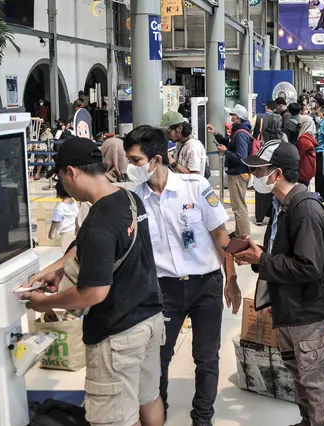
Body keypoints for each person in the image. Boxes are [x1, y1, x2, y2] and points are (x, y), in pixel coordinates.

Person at [19, 137, 165, 426]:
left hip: (117, 332)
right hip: (149, 319)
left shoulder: (99, 221)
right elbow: (90, 247)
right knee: (148, 397)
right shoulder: (128, 199)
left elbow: (93, 293)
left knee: (115, 418)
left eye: (62, 178)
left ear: (71, 172)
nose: (65, 187)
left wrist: (45, 303)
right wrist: (57, 269)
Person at [123, 126, 242, 425]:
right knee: (158, 359)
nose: (130, 167)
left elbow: (220, 236)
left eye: (135, 160)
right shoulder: (134, 200)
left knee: (206, 357)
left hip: (206, 285)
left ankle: (202, 418)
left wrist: (232, 280)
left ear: (157, 159)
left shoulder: (195, 186)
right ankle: (157, 412)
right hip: (163, 291)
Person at [233, 140, 324, 426]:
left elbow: (309, 266)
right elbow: (281, 256)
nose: (255, 177)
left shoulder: (305, 210)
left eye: (260, 171)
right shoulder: (282, 206)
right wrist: (256, 257)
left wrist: (263, 260)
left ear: (277, 174)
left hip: (307, 311)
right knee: (298, 374)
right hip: (288, 308)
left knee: (314, 379)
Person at [208, 104, 253, 238]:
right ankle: (240, 232)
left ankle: (243, 235)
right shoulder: (238, 130)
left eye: (232, 115)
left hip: (238, 174)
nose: (230, 117)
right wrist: (216, 134)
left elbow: (241, 157)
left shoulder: (240, 134)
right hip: (237, 172)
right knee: (237, 205)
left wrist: (225, 152)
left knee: (239, 207)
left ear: (237, 118)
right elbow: (229, 143)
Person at [162, 111, 208, 176]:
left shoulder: (193, 145)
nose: (167, 135)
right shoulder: (180, 144)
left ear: (179, 128)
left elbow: (193, 175)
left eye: (168, 132)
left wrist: (172, 161)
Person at [48, 179, 79, 252]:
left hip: (66, 234)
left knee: (67, 255)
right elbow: (77, 217)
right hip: (74, 233)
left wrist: (51, 233)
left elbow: (55, 221)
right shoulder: (74, 203)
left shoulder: (60, 206)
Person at [297, 115, 319, 186]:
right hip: (308, 170)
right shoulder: (310, 137)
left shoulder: (303, 140)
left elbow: (298, 156)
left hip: (303, 171)